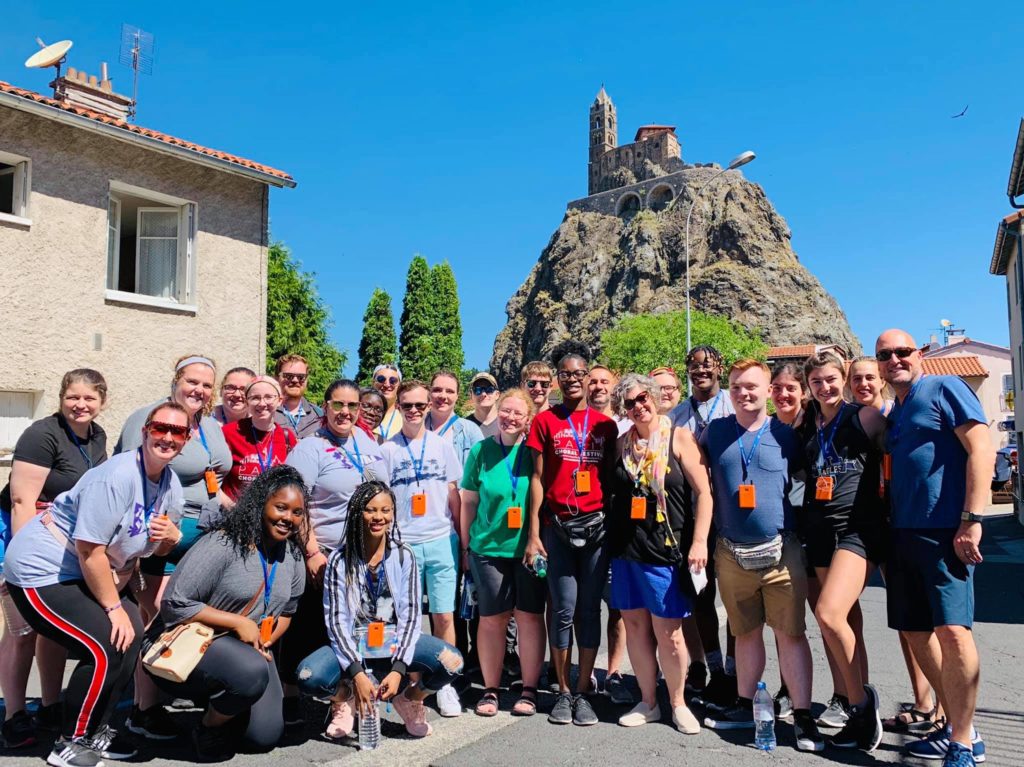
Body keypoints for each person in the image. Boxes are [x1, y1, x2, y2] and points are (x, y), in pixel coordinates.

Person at [3, 402, 187, 767]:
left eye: (177, 432)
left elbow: (152, 545)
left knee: (131, 639)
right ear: (145, 431)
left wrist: (172, 537)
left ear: (186, 440)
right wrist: (113, 607)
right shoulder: (117, 476)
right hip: (43, 569)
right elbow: (90, 551)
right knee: (105, 643)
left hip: (90, 569)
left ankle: (97, 733)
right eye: (160, 428)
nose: (167, 436)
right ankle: (72, 741)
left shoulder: (170, 484)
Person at [876, 329, 994, 767]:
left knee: (953, 631)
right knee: (914, 630)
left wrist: (972, 519)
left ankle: (963, 743)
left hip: (946, 531)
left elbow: (981, 446)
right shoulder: (898, 410)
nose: (894, 360)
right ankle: (957, 727)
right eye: (885, 355)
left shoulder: (945, 387)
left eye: (902, 352)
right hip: (902, 535)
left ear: (919, 354)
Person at [699, 359, 824, 752]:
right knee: (744, 633)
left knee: (790, 634)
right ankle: (744, 704)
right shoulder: (714, 432)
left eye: (751, 386)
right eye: (736, 387)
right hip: (730, 552)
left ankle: (802, 716)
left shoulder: (786, 435)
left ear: (768, 390)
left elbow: (811, 482)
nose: (743, 393)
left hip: (780, 551)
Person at [148, 465, 308, 760]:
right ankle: (209, 725)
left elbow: (288, 610)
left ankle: (230, 704)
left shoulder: (294, 556)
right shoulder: (223, 543)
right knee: (249, 673)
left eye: (297, 512)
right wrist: (238, 622)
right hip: (192, 640)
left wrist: (265, 639)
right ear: (261, 504)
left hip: (250, 648)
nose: (288, 518)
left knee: (264, 736)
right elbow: (174, 603)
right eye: (281, 508)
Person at [116, 354, 231, 739]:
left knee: (188, 619)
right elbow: (129, 474)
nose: (198, 390)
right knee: (157, 617)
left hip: (204, 532)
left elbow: (215, 477)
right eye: (191, 381)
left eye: (205, 384)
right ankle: (142, 709)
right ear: (175, 381)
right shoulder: (151, 417)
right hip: (163, 532)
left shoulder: (210, 425)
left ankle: (170, 692)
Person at [296, 481, 463, 738]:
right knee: (309, 677)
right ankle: (345, 697)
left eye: (385, 510)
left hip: (394, 642)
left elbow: (410, 618)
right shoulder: (340, 561)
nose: (378, 517)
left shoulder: (403, 555)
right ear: (356, 512)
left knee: (453, 663)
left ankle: (410, 699)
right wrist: (357, 674)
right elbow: (336, 622)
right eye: (370, 510)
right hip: (354, 643)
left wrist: (398, 671)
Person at [0, 370, 107, 748]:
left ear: (101, 402)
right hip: (21, 538)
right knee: (22, 631)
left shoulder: (97, 437)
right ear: (62, 398)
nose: (80, 405)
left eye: (89, 399)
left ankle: (49, 704)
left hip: (62, 542)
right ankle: (13, 714)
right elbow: (21, 502)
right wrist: (19, 559)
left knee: (54, 627)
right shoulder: (42, 434)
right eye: (73, 397)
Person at [280, 379, 386, 731]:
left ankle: (351, 699)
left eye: (353, 406)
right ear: (324, 406)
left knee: (355, 629)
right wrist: (311, 551)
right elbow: (295, 504)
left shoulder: (368, 442)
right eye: (338, 405)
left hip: (364, 554)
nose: (346, 412)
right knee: (310, 627)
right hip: (324, 551)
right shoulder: (309, 448)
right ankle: (294, 697)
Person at [608, 373, 711, 734]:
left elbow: (705, 494)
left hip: (666, 551)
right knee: (635, 628)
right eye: (630, 403)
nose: (638, 406)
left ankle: (679, 702)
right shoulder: (622, 445)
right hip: (626, 551)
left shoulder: (680, 437)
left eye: (642, 398)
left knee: (669, 632)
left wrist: (699, 542)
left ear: (653, 397)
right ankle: (648, 701)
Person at [799, 352, 888, 751]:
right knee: (844, 621)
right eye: (817, 381)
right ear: (809, 386)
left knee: (829, 613)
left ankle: (862, 704)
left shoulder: (865, 417)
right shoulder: (809, 424)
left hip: (858, 530)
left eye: (831, 379)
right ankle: (854, 708)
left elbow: (900, 458)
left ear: (845, 378)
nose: (825, 387)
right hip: (819, 531)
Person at [524, 354, 618, 727]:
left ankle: (583, 691)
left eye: (581, 374)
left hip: (596, 528)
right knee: (562, 609)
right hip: (557, 527)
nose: (575, 380)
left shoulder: (606, 426)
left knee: (590, 610)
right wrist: (533, 533)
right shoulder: (545, 421)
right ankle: (562, 691)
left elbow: (611, 481)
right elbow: (536, 479)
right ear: (558, 379)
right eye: (567, 374)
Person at [770, 362, 849, 730]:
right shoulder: (767, 428)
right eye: (777, 388)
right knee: (786, 619)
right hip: (782, 534)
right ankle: (788, 689)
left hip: (820, 530)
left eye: (790, 388)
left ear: (803, 391)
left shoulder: (816, 424)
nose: (783, 394)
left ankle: (845, 694)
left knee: (830, 615)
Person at [379, 380, 464, 716]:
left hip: (442, 539)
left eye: (419, 405)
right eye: (407, 406)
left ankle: (446, 684)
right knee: (409, 621)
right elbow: (382, 502)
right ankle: (416, 686)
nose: (413, 411)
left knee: (444, 615)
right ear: (398, 408)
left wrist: (463, 541)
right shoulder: (387, 450)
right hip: (405, 545)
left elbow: (454, 494)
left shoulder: (442, 446)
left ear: (429, 406)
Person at [460, 389, 546, 717]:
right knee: (492, 619)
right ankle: (491, 690)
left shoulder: (535, 451)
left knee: (528, 617)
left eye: (517, 413)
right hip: (487, 549)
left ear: (528, 419)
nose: (510, 418)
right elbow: (468, 502)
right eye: (505, 411)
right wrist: (466, 546)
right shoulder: (481, 451)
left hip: (529, 549)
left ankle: (528, 689)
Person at [670, 345, 736, 707]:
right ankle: (712, 667)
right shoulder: (678, 416)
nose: (701, 371)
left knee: (736, 599)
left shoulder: (734, 407)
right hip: (694, 520)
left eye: (708, 365)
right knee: (701, 596)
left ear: (720, 366)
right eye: (694, 366)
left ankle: (733, 671)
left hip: (734, 517)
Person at [585, 364, 630, 705]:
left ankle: (614, 672)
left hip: (618, 528)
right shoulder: (575, 422)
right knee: (583, 606)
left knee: (618, 607)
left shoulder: (628, 426)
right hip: (581, 527)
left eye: (604, 381)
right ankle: (583, 673)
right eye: (593, 381)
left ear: (614, 387)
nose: (598, 386)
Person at [221, 377, 297, 504]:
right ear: (247, 401)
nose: (262, 403)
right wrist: (231, 510)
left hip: (270, 515)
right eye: (255, 398)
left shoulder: (287, 437)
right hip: (233, 514)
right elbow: (212, 477)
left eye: (268, 397)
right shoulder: (229, 433)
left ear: (279, 401)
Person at [427, 370, 485, 466]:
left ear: (457, 396)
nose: (443, 396)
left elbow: (481, 470)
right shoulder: (415, 427)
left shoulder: (471, 431)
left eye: (450, 391)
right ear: (429, 393)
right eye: (437, 390)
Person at [273, 354, 324, 440]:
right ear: (276, 378)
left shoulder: (319, 415)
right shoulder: (267, 413)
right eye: (288, 376)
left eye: (301, 377)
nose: (295, 380)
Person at [372, 364, 404, 441]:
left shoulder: (406, 416)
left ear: (399, 386)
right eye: (381, 379)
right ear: (373, 383)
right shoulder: (362, 414)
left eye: (393, 381)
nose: (387, 384)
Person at [467, 373, 501, 438]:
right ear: (471, 395)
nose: (483, 394)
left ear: (497, 395)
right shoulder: (464, 426)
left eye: (489, 389)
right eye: (477, 390)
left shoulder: (507, 423)